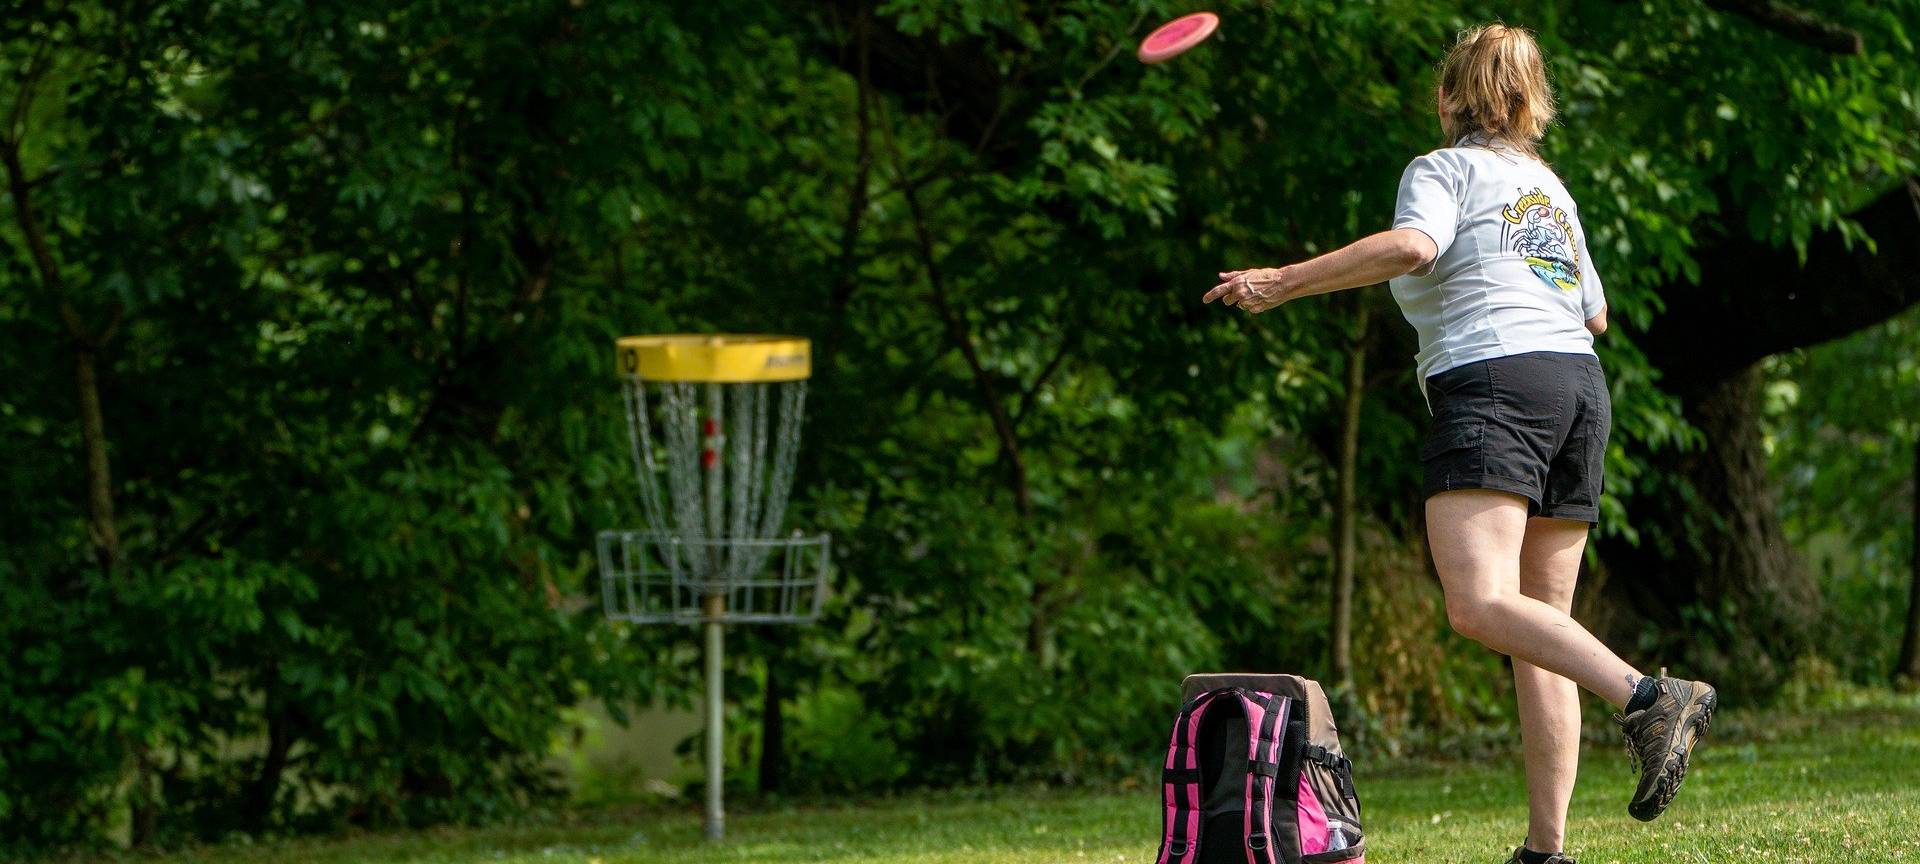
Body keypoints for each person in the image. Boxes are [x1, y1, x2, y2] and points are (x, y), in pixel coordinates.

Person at [1202, 23, 1717, 864]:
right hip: (1578, 387)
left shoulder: (1440, 169)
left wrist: (1284, 280)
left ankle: (1649, 695)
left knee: (1478, 605)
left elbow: (1414, 246)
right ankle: (1546, 851)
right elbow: (1597, 313)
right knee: (1539, 626)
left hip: (1495, 383)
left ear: (1446, 98)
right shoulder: (1547, 188)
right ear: (1529, 104)